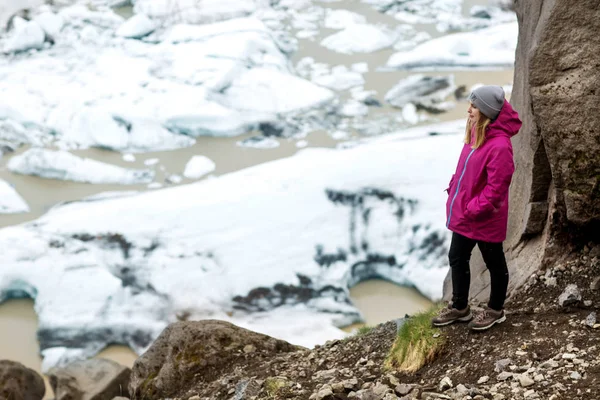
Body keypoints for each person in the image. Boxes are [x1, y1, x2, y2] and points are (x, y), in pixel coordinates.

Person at [432, 85, 522, 331]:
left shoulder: (500, 145)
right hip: (466, 212)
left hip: (483, 216)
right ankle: (460, 307)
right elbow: (465, 171)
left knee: (494, 263)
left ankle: (495, 310)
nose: (469, 110)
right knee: (457, 257)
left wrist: (474, 208)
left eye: (473, 106)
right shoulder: (476, 133)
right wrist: (454, 188)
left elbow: (497, 188)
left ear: (486, 111)